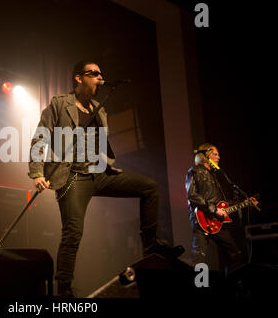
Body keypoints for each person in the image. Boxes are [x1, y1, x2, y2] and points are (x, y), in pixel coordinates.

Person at [28, 60, 181, 297]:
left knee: (150, 187)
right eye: (94, 74)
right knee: (73, 233)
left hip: (99, 173)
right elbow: (40, 138)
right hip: (73, 177)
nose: (100, 78)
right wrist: (37, 173)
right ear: (78, 78)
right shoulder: (59, 104)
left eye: (101, 74)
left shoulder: (100, 108)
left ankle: (151, 247)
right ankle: (64, 290)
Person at [185, 143, 258, 273]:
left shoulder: (214, 176)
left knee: (235, 255)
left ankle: (230, 288)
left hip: (216, 221)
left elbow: (222, 204)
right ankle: (198, 288)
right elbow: (192, 195)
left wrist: (245, 202)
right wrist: (213, 209)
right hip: (202, 221)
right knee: (198, 260)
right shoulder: (195, 171)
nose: (218, 157)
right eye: (215, 154)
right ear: (206, 155)